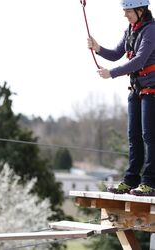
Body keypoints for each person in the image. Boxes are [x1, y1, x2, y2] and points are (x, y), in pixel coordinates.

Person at [87, 0, 155, 196]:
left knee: (149, 137)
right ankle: (131, 180)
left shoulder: (151, 30)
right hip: (136, 90)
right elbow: (117, 53)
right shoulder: (130, 30)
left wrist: (112, 73)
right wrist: (98, 47)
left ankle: (150, 182)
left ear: (140, 10)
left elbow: (140, 60)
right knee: (134, 137)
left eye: (128, 11)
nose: (125, 15)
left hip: (151, 91)